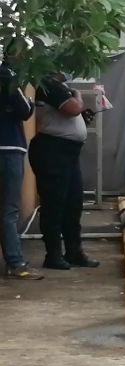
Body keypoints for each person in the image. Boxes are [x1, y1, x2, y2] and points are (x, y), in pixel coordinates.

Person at [29, 73, 99, 270]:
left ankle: (74, 252)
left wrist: (82, 119)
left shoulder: (60, 89)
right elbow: (73, 108)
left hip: (68, 151)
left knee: (73, 203)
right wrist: (78, 95)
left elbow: (70, 116)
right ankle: (53, 255)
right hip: (53, 151)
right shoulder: (49, 85)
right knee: (54, 203)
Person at [0, 60, 43, 280]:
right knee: (9, 210)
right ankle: (15, 263)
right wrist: (30, 99)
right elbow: (25, 110)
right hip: (8, 149)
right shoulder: (7, 75)